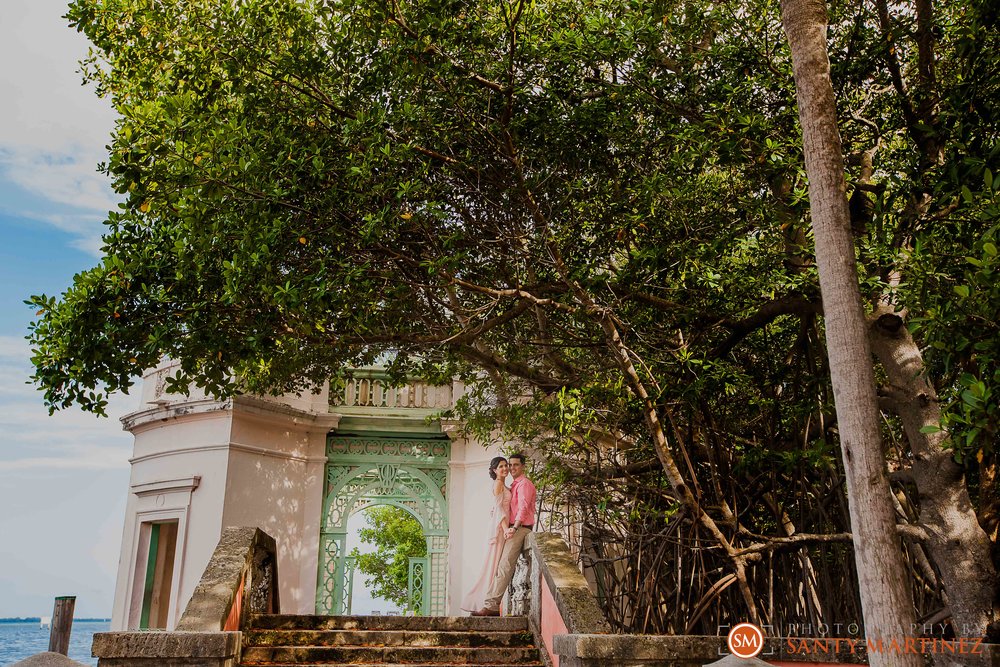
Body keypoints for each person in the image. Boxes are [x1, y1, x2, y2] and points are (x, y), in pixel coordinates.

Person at [471, 452, 536, 617]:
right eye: (509, 464)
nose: (511, 468)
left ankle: (491, 605)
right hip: (510, 528)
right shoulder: (512, 485)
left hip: (520, 528)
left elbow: (523, 508)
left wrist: (514, 527)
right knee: (500, 565)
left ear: (523, 466)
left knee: (505, 565)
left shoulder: (524, 484)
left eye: (515, 465)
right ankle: (490, 604)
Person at [460, 456, 510, 613]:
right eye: (501, 466)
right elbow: (499, 509)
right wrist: (505, 528)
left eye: (506, 465)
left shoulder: (503, 484)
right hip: (500, 529)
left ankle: (488, 603)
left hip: (502, 526)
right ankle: (483, 603)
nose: (505, 468)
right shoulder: (498, 484)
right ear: (495, 470)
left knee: (496, 565)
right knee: (493, 565)